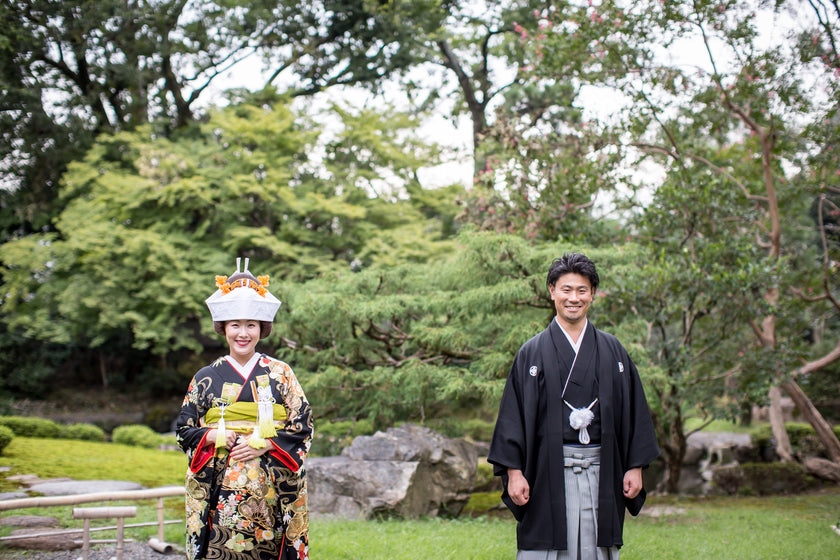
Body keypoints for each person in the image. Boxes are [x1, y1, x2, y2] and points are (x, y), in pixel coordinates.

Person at [487, 252, 659, 560]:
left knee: (597, 548)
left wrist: (634, 467)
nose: (574, 298)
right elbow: (512, 416)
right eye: (566, 289)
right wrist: (514, 473)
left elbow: (634, 411)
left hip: (601, 468)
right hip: (545, 470)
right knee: (544, 545)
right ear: (552, 291)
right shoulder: (531, 353)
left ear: (593, 293)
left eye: (582, 290)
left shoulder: (612, 350)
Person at [176, 258, 313, 560]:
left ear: (261, 329)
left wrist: (266, 443)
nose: (243, 333)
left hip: (271, 486)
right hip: (220, 487)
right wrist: (213, 436)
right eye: (235, 325)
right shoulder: (205, 377)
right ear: (223, 328)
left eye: (251, 325)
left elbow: (303, 424)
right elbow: (184, 430)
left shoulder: (280, 373)